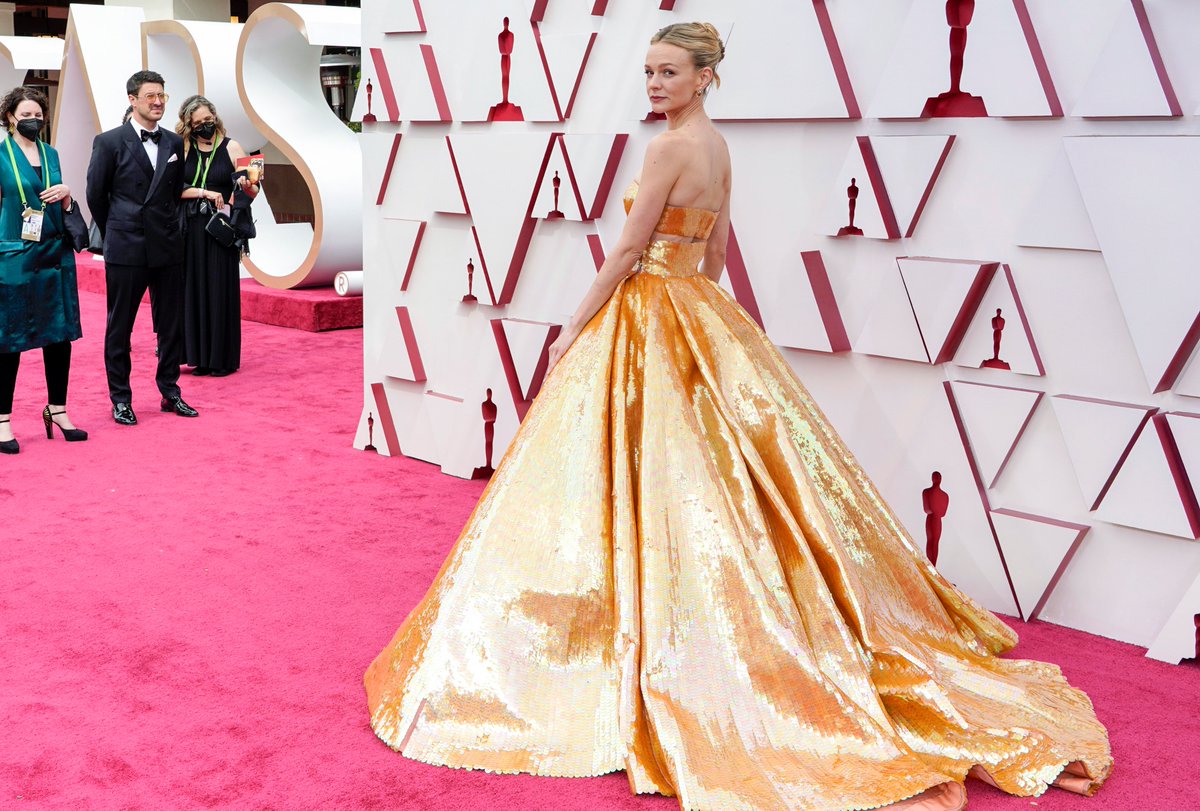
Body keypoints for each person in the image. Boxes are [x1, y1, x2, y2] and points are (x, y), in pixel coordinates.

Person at [364, 23, 1112, 811]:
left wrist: (572, 329)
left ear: (704, 76)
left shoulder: (667, 150)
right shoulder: (718, 147)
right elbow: (717, 254)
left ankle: (647, 639)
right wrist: (702, 323)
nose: (654, 84)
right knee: (709, 480)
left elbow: (626, 252)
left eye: (669, 72)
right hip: (697, 308)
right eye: (648, 71)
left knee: (636, 479)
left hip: (648, 311)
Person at [86, 70, 197, 425]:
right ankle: (120, 398)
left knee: (170, 325)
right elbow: (95, 195)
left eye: (162, 95)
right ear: (132, 100)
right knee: (120, 327)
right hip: (126, 245)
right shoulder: (109, 141)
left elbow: (174, 192)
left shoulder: (173, 142)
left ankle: (170, 391)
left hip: (166, 245)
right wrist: (118, 229)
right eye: (151, 96)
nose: (158, 102)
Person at [0, 86, 86, 454]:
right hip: (15, 255)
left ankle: (57, 409)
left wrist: (66, 195)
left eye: (38, 115)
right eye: (26, 115)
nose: (33, 120)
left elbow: (62, 207)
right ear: (10, 118)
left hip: (54, 253)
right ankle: (2, 419)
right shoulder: (1, 155)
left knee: (58, 335)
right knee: (9, 338)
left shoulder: (51, 154)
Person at [176, 95, 257, 377]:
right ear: (189, 125)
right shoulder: (183, 147)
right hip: (189, 228)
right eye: (198, 123)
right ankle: (199, 357)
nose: (204, 126)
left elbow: (256, 186)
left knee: (220, 289)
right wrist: (204, 192)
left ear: (215, 117)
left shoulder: (233, 146)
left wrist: (245, 184)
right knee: (193, 290)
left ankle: (221, 359)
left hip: (221, 229)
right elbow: (172, 188)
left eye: (208, 120)